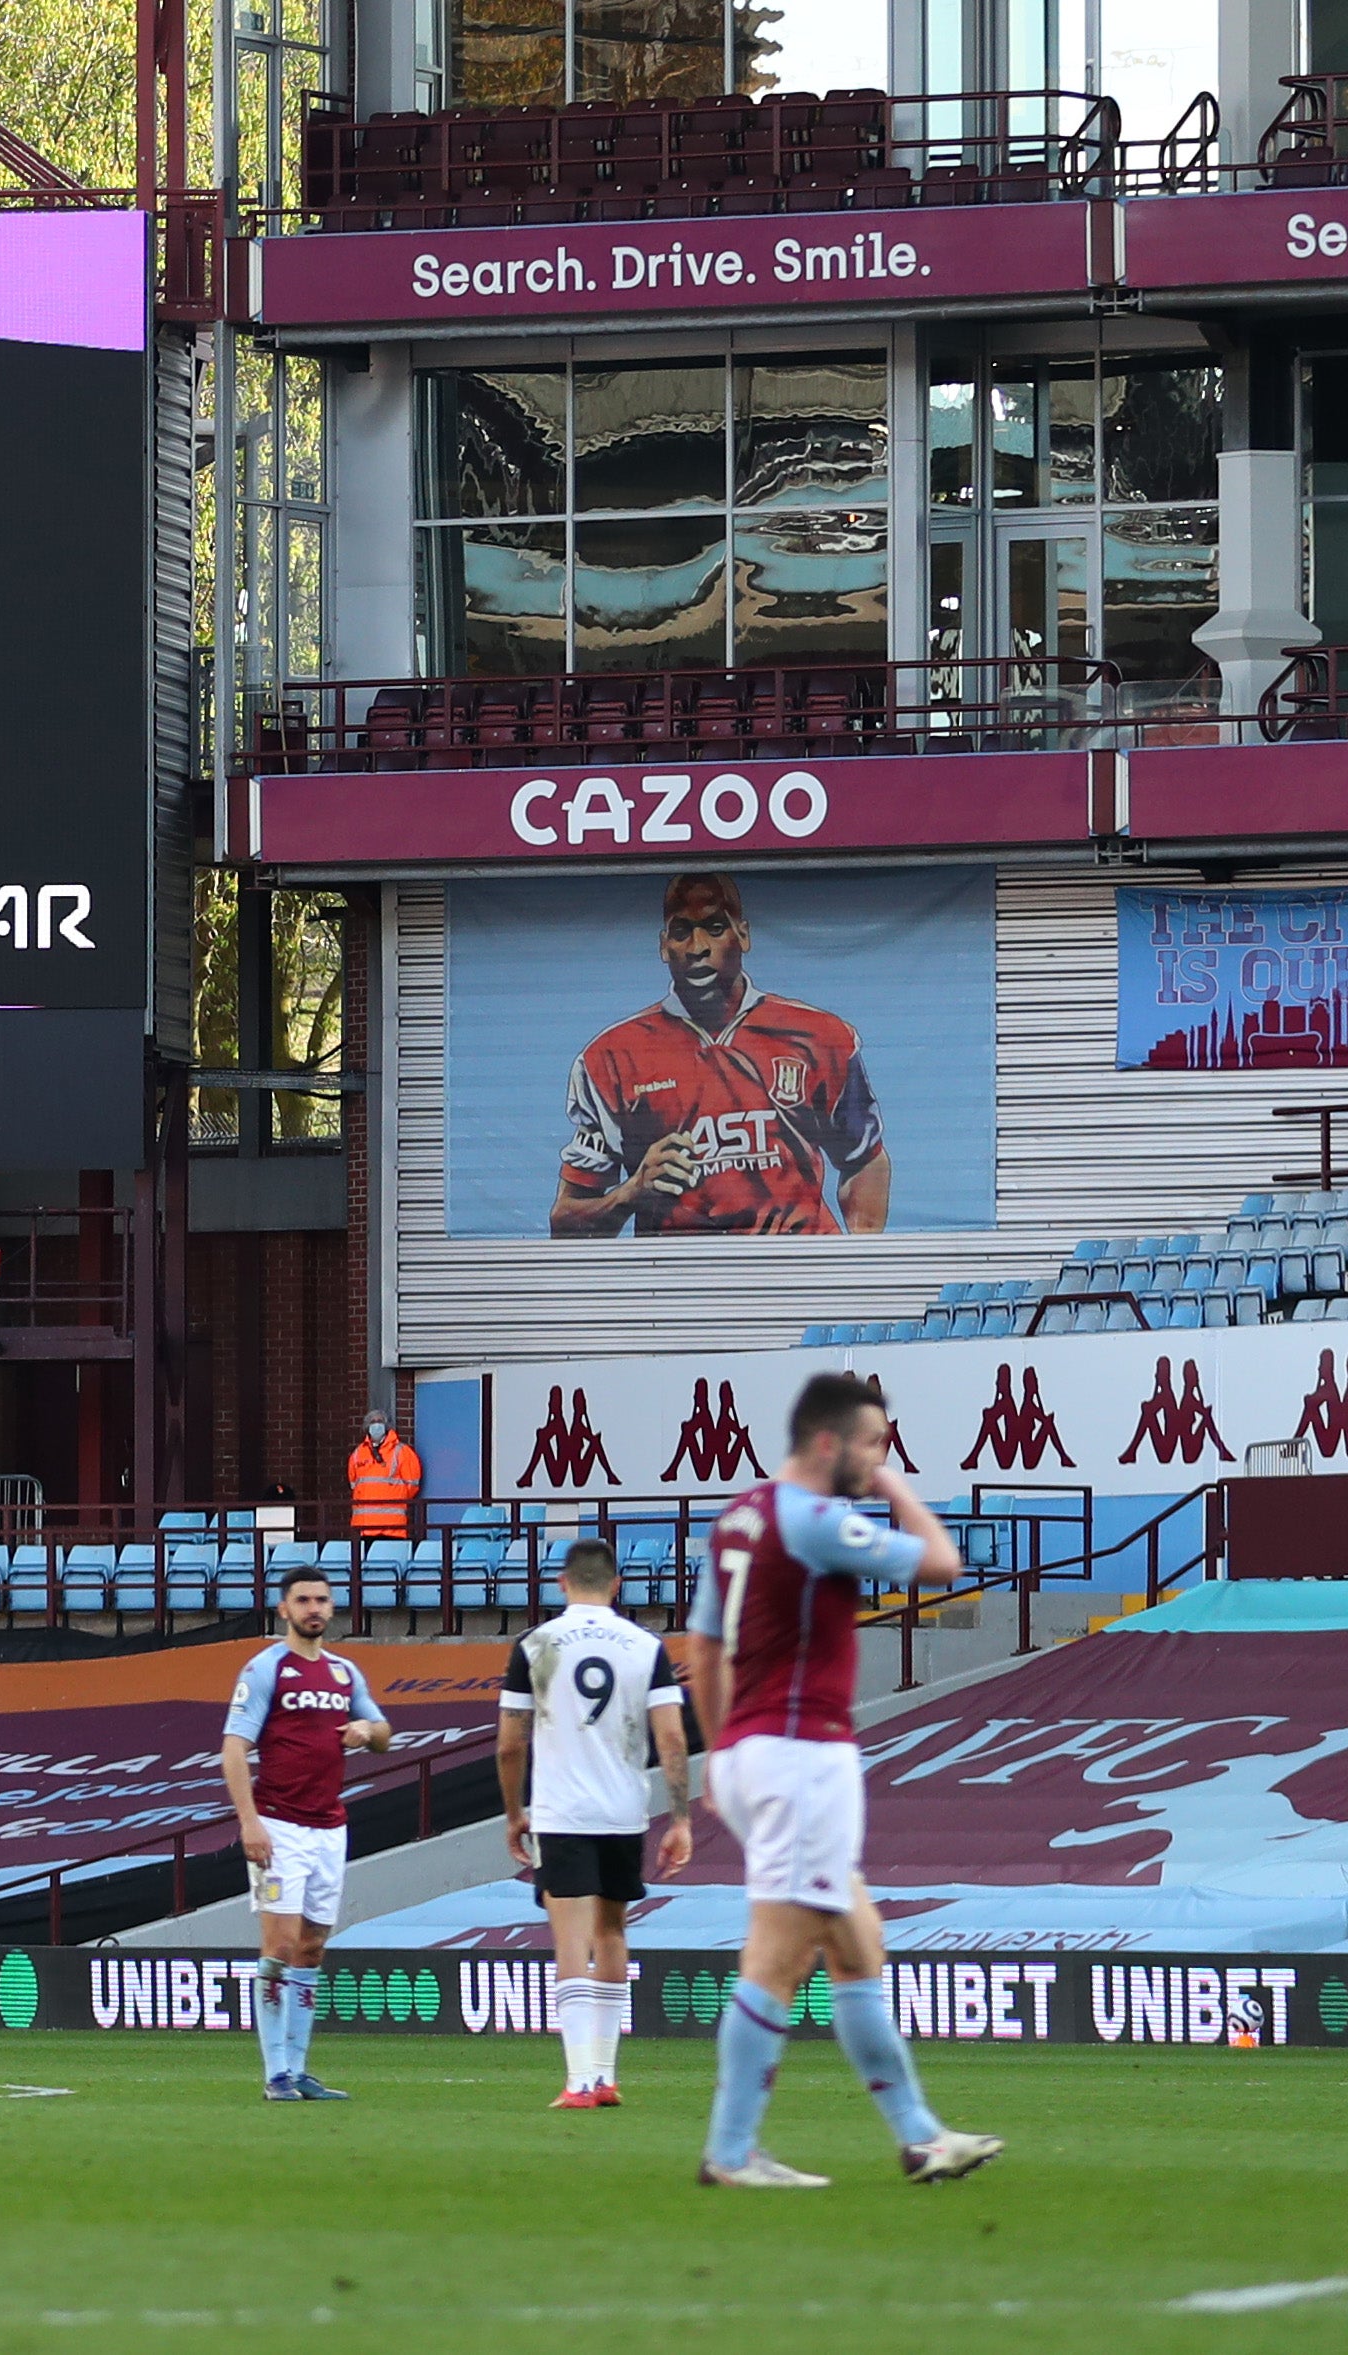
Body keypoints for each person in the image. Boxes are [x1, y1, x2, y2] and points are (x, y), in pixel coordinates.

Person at [690, 1372, 1000, 2188]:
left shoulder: (737, 1517)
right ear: (827, 1443)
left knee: (859, 1941)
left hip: (756, 1749)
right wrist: (891, 1484)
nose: (879, 1455)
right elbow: (941, 1559)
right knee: (776, 1959)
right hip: (802, 1755)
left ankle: (922, 2135)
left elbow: (705, 1646)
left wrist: (719, 1754)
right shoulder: (816, 1519)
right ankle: (729, 2150)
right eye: (871, 1442)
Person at [549, 871, 891, 1238]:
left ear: (742, 934)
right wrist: (631, 1193)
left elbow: (864, 1161)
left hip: (800, 1281)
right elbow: (566, 1223)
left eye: (714, 927)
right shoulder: (609, 1059)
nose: (697, 947)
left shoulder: (823, 1036)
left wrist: (853, 1267)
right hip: (683, 1285)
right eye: (681, 932)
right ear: (664, 946)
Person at [498, 1538, 693, 2109]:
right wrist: (679, 1817)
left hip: (562, 1811)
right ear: (616, 1586)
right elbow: (673, 1737)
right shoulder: (645, 1645)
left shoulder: (535, 1645)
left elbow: (511, 1743)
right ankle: (604, 2075)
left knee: (570, 1939)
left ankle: (580, 2078)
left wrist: (514, 1813)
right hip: (622, 1811)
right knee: (612, 1933)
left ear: (561, 1584)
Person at [219, 1569, 394, 2101]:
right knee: (280, 1944)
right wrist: (249, 1822)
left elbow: (384, 1733)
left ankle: (298, 2069)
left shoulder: (344, 1673)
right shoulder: (266, 1667)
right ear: (283, 1609)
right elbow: (232, 1749)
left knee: (314, 1948)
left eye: (321, 1599)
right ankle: (275, 2074)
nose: (313, 1608)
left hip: (328, 1827)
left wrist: (368, 1732)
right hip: (278, 1825)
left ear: (332, 1607)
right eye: (303, 1600)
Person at [347, 1411, 423, 1539]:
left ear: (387, 1425)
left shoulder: (402, 1452)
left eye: (379, 1421)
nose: (376, 1425)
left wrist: (393, 1494)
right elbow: (354, 1484)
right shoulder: (358, 1453)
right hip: (362, 1527)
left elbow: (412, 1485)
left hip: (392, 1528)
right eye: (372, 1422)